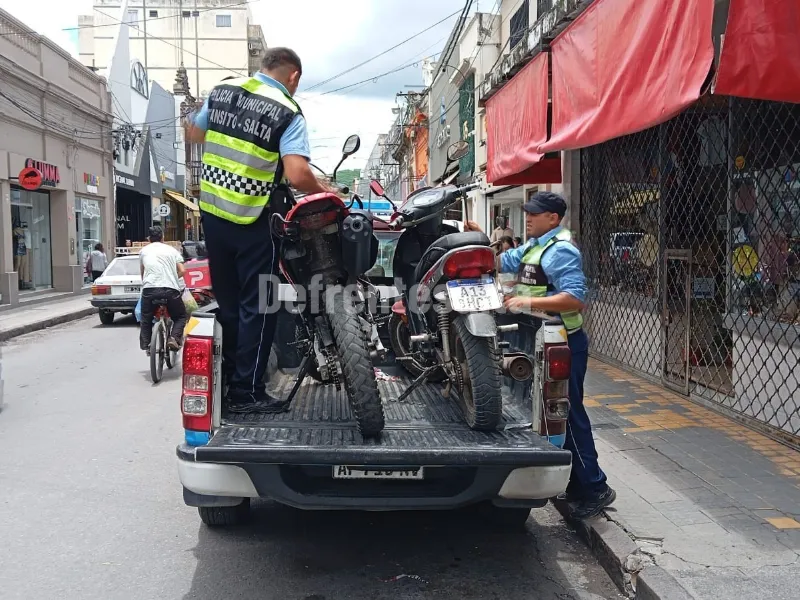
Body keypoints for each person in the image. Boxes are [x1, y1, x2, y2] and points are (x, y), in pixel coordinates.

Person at [184, 47, 338, 414]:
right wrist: (327, 190)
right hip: (252, 218)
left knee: (232, 303)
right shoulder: (288, 111)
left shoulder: (224, 91)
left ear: (262, 67)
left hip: (213, 214)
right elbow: (298, 173)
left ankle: (230, 381)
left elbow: (193, 132)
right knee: (261, 307)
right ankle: (247, 393)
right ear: (293, 76)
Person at [465, 191, 615, 520]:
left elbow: (574, 298)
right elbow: (501, 261)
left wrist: (527, 303)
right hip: (540, 340)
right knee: (551, 414)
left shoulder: (560, 249)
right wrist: (478, 240)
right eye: (528, 212)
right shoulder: (535, 246)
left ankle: (595, 487)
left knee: (570, 415)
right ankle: (577, 482)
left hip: (565, 341)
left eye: (536, 213)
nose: (529, 218)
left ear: (553, 218)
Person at [138, 226, 188, 354]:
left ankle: (146, 343)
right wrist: (173, 278)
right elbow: (182, 270)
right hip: (170, 289)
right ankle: (173, 338)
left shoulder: (143, 251)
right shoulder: (172, 250)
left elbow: (143, 273)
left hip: (149, 289)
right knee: (181, 316)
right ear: (163, 237)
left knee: (146, 317)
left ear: (149, 239)